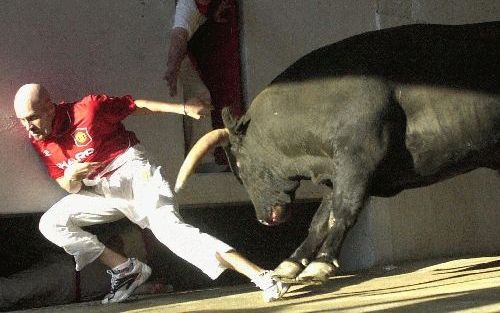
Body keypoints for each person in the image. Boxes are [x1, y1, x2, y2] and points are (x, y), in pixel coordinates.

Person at [12, 83, 289, 304]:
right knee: (51, 222)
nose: (28, 127)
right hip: (104, 192)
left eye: (32, 118)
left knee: (172, 233)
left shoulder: (89, 109)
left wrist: (183, 108)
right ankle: (125, 269)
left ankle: (262, 275)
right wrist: (72, 177)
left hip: (135, 174)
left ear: (50, 107)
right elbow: (67, 185)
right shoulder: (40, 140)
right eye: (22, 121)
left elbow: (136, 105)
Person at [165, 0, 241, 171]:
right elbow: (178, 36)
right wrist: (172, 68)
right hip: (173, 55)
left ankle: (202, 159)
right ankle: (203, 161)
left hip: (178, 54)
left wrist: (214, 11)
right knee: (200, 99)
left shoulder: (201, 5)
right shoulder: (187, 6)